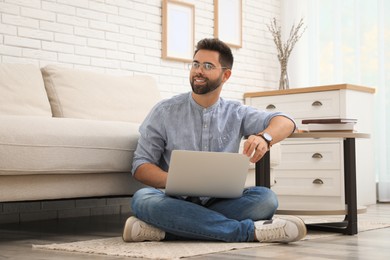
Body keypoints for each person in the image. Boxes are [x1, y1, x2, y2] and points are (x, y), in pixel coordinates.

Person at [123, 38, 306, 243]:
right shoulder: (164, 111)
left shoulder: (236, 112)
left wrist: (265, 137)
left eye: (208, 66)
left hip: (220, 202)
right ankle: (247, 232)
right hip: (174, 200)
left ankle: (168, 229)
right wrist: (177, 181)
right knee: (143, 200)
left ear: (225, 75)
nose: (198, 71)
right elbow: (140, 166)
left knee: (265, 199)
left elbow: (286, 121)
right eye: (195, 64)